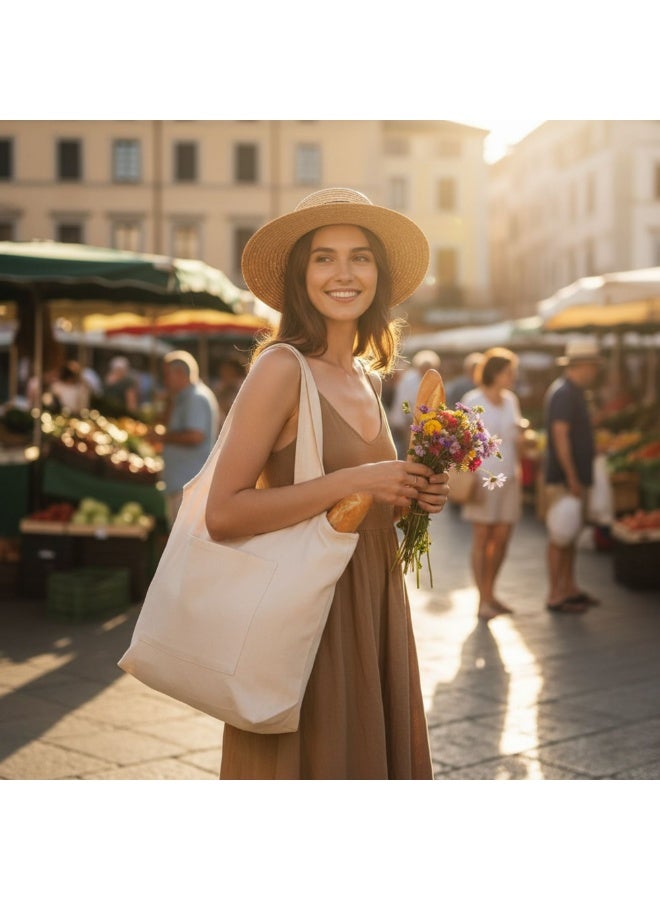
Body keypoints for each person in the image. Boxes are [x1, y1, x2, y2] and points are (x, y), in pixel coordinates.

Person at [205, 187, 449, 779]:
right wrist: (362, 477)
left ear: (379, 275)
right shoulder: (281, 368)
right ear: (300, 276)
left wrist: (409, 499)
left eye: (360, 256)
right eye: (324, 257)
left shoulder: (366, 377)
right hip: (308, 614)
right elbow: (224, 513)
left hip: (372, 595)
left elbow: (357, 507)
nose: (344, 273)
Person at [461, 347, 525, 621]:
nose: (513, 377)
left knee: (502, 538)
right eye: (509, 372)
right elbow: (463, 443)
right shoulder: (472, 400)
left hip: (509, 475)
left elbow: (515, 436)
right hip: (483, 477)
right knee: (483, 537)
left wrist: (523, 437)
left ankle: (491, 592)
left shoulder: (511, 400)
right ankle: (482, 599)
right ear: (496, 373)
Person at [543, 337, 603, 613]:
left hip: (574, 478)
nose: (595, 372)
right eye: (593, 366)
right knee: (560, 535)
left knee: (569, 533)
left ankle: (569, 588)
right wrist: (572, 477)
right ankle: (556, 594)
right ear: (583, 365)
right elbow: (560, 435)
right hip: (565, 479)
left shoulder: (573, 391)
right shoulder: (565, 393)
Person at [151, 350, 220, 528]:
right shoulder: (184, 397)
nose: (164, 380)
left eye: (167, 374)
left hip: (188, 485)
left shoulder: (195, 398)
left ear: (180, 373)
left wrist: (162, 437)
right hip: (183, 484)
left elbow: (196, 436)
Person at [387, 348, 442, 459]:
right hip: (406, 423)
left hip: (427, 424)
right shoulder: (408, 380)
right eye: (424, 368)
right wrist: (410, 421)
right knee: (408, 453)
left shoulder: (435, 380)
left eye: (429, 368)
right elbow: (404, 403)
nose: (426, 371)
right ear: (418, 367)